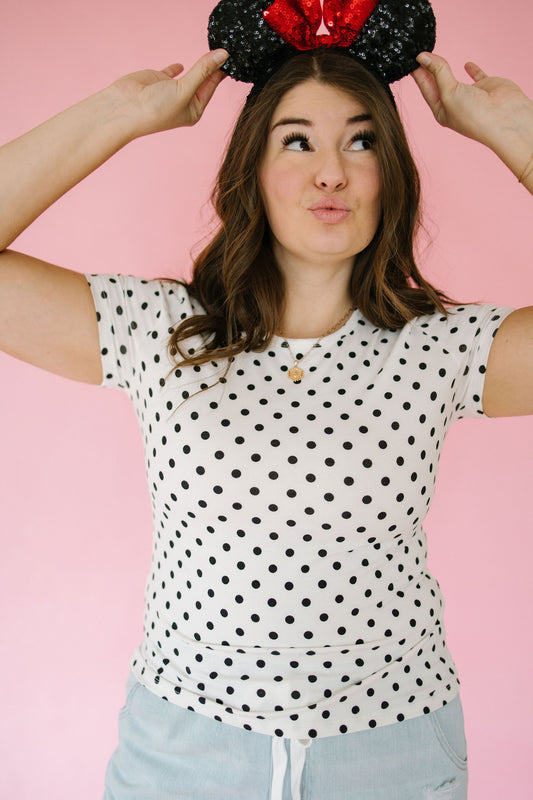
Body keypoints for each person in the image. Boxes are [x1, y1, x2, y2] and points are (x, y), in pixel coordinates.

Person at [1, 1, 532, 798]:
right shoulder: (157, 331)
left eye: (361, 140)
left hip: (394, 758)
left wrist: (515, 132)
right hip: (180, 754)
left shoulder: (445, 349)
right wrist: (118, 113)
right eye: (297, 141)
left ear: (391, 168)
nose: (331, 172)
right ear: (251, 166)